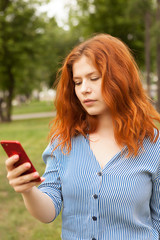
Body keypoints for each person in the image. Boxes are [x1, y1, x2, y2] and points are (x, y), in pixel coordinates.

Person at [5, 34, 160, 240]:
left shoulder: (153, 144)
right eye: (78, 82)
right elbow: (48, 211)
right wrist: (28, 191)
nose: (84, 89)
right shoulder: (63, 142)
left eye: (94, 78)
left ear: (120, 78)